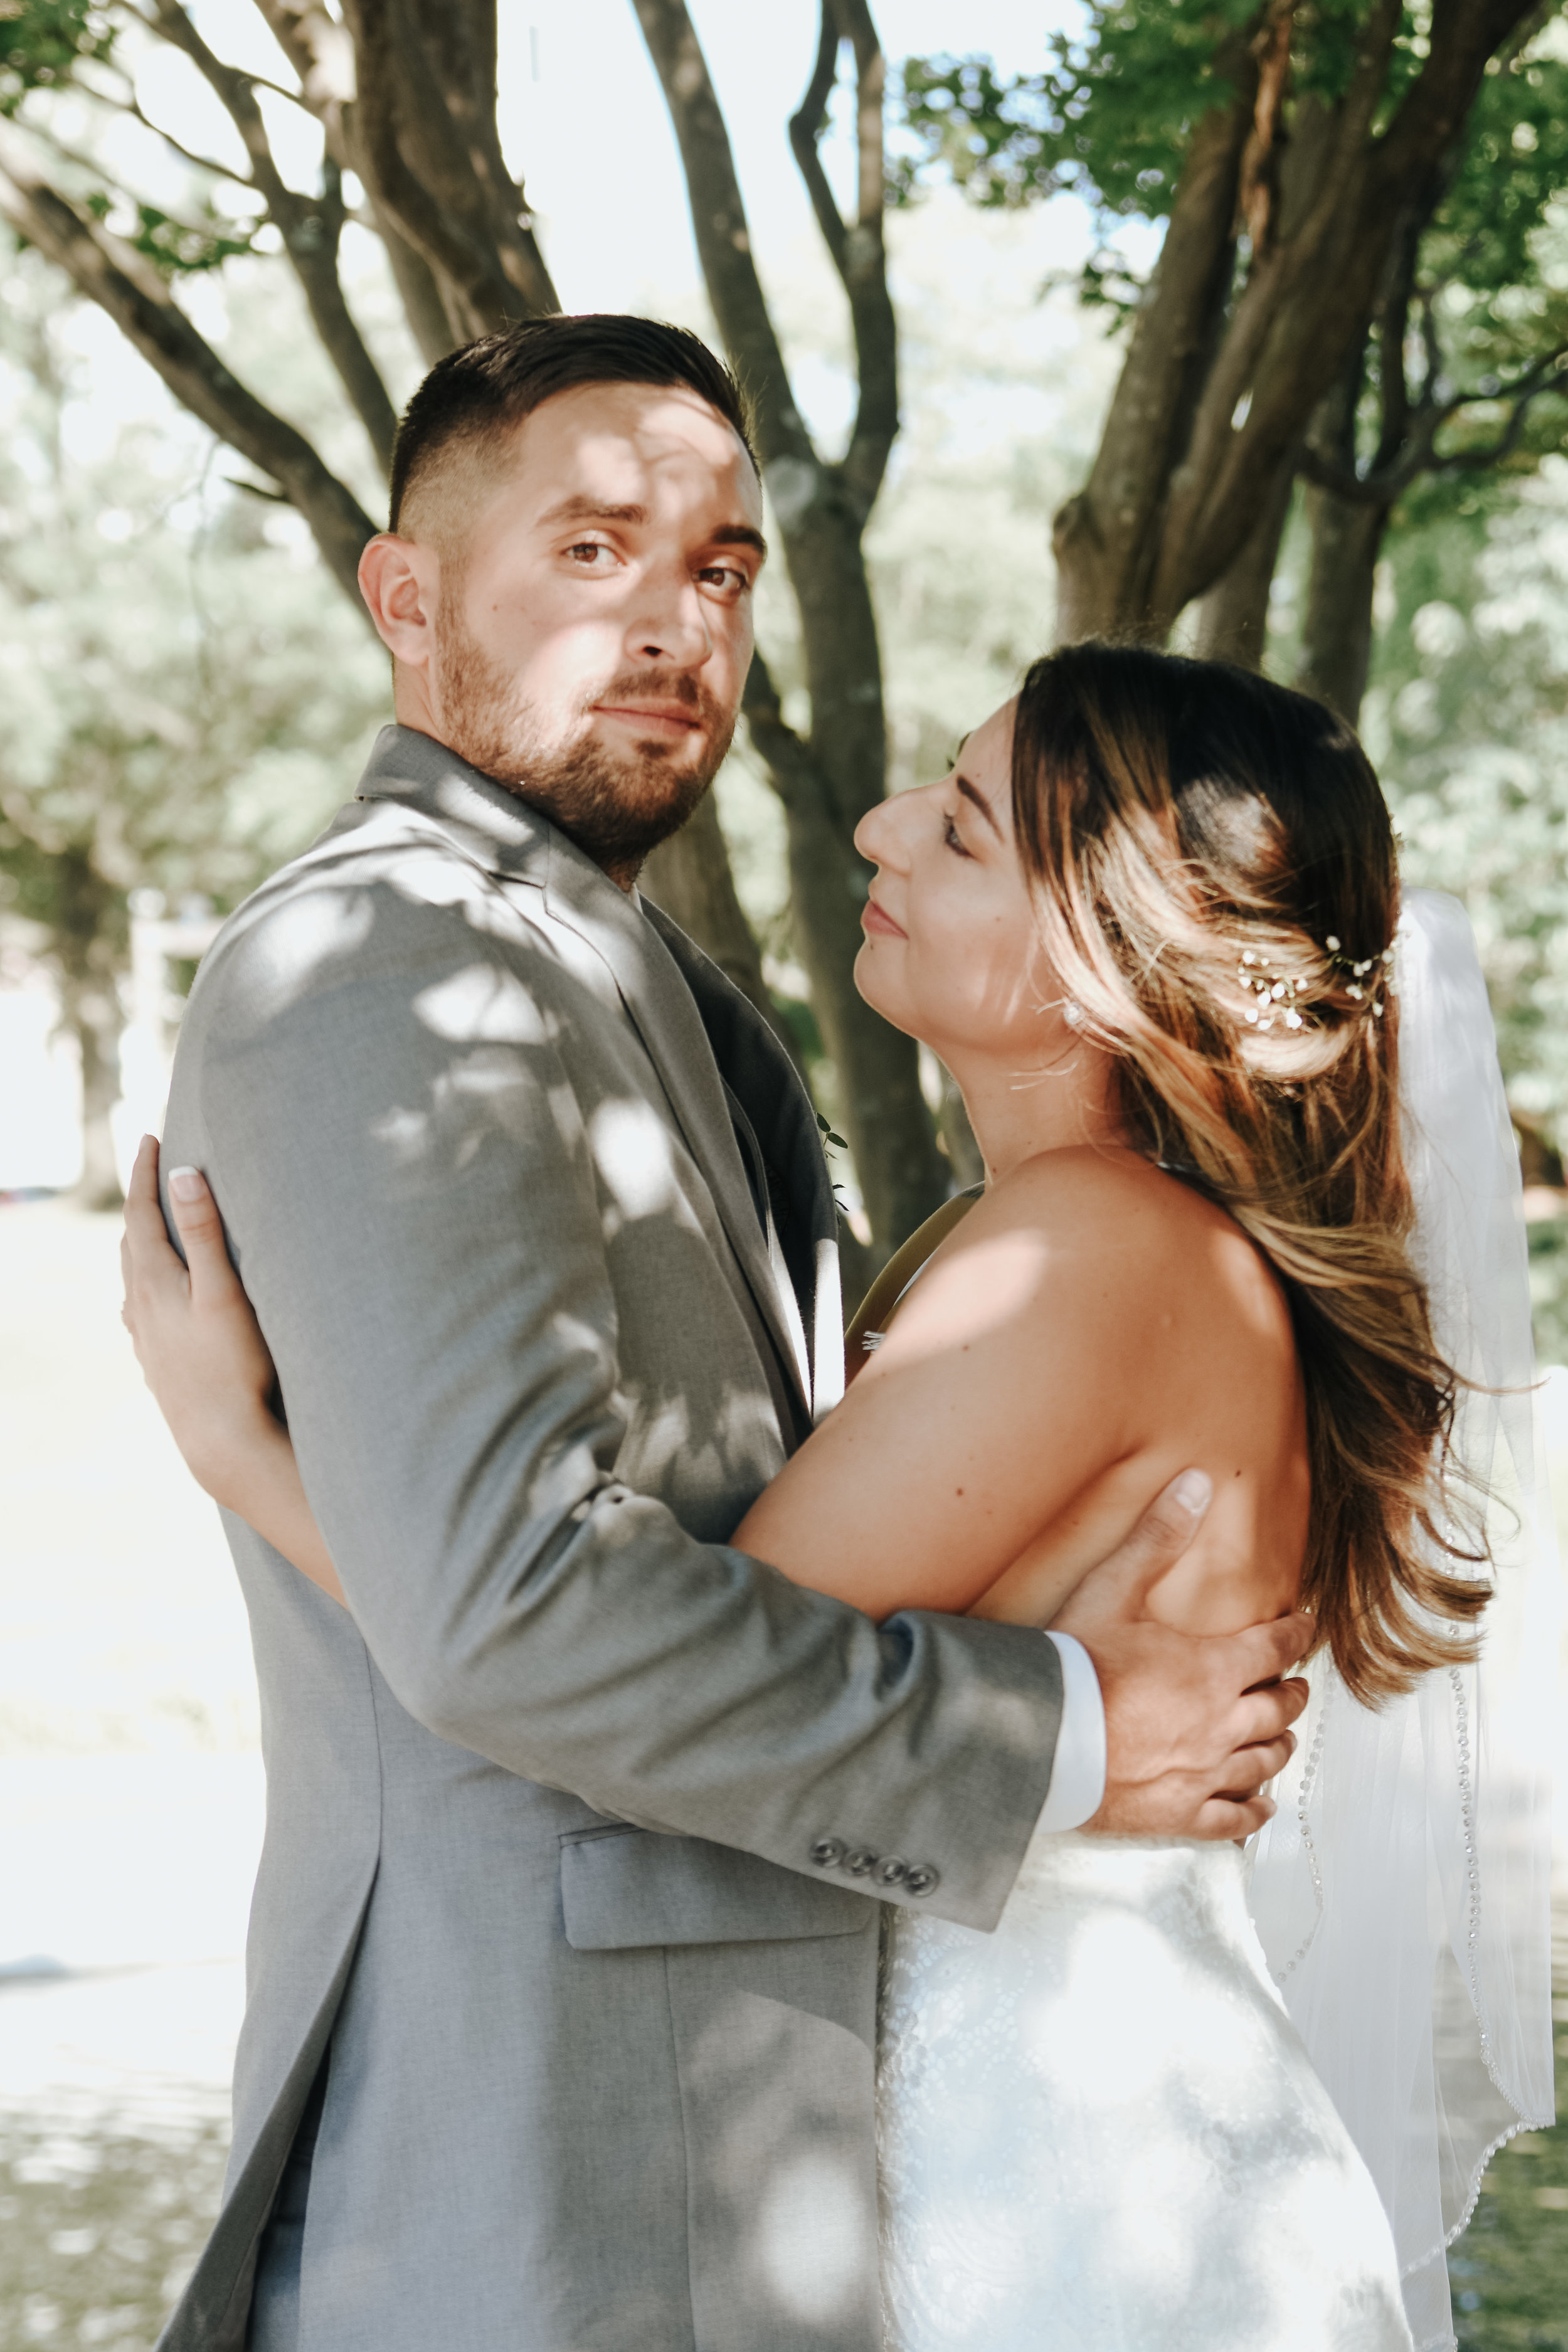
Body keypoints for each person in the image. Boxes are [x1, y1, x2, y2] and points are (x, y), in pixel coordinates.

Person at [118, 317, 1312, 2352]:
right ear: (402, 598)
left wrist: (270, 1477)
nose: (675, 619)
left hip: (765, 2157)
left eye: (720, 567)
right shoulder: (384, 963)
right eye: (592, 552)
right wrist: (1073, 1747)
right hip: (543, 2170)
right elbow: (505, 1616)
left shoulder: (654, 990)